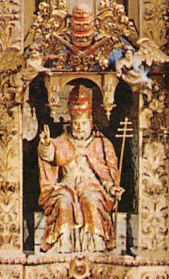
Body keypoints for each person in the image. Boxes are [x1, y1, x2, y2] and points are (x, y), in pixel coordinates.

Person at [37, 84, 122, 253]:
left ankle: (96, 241)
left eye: (83, 123)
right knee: (63, 202)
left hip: (92, 187)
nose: (79, 127)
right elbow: (49, 155)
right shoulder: (62, 141)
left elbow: (106, 174)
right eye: (76, 123)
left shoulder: (101, 144)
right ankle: (63, 241)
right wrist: (46, 145)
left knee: (91, 201)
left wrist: (112, 188)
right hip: (66, 187)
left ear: (90, 123)